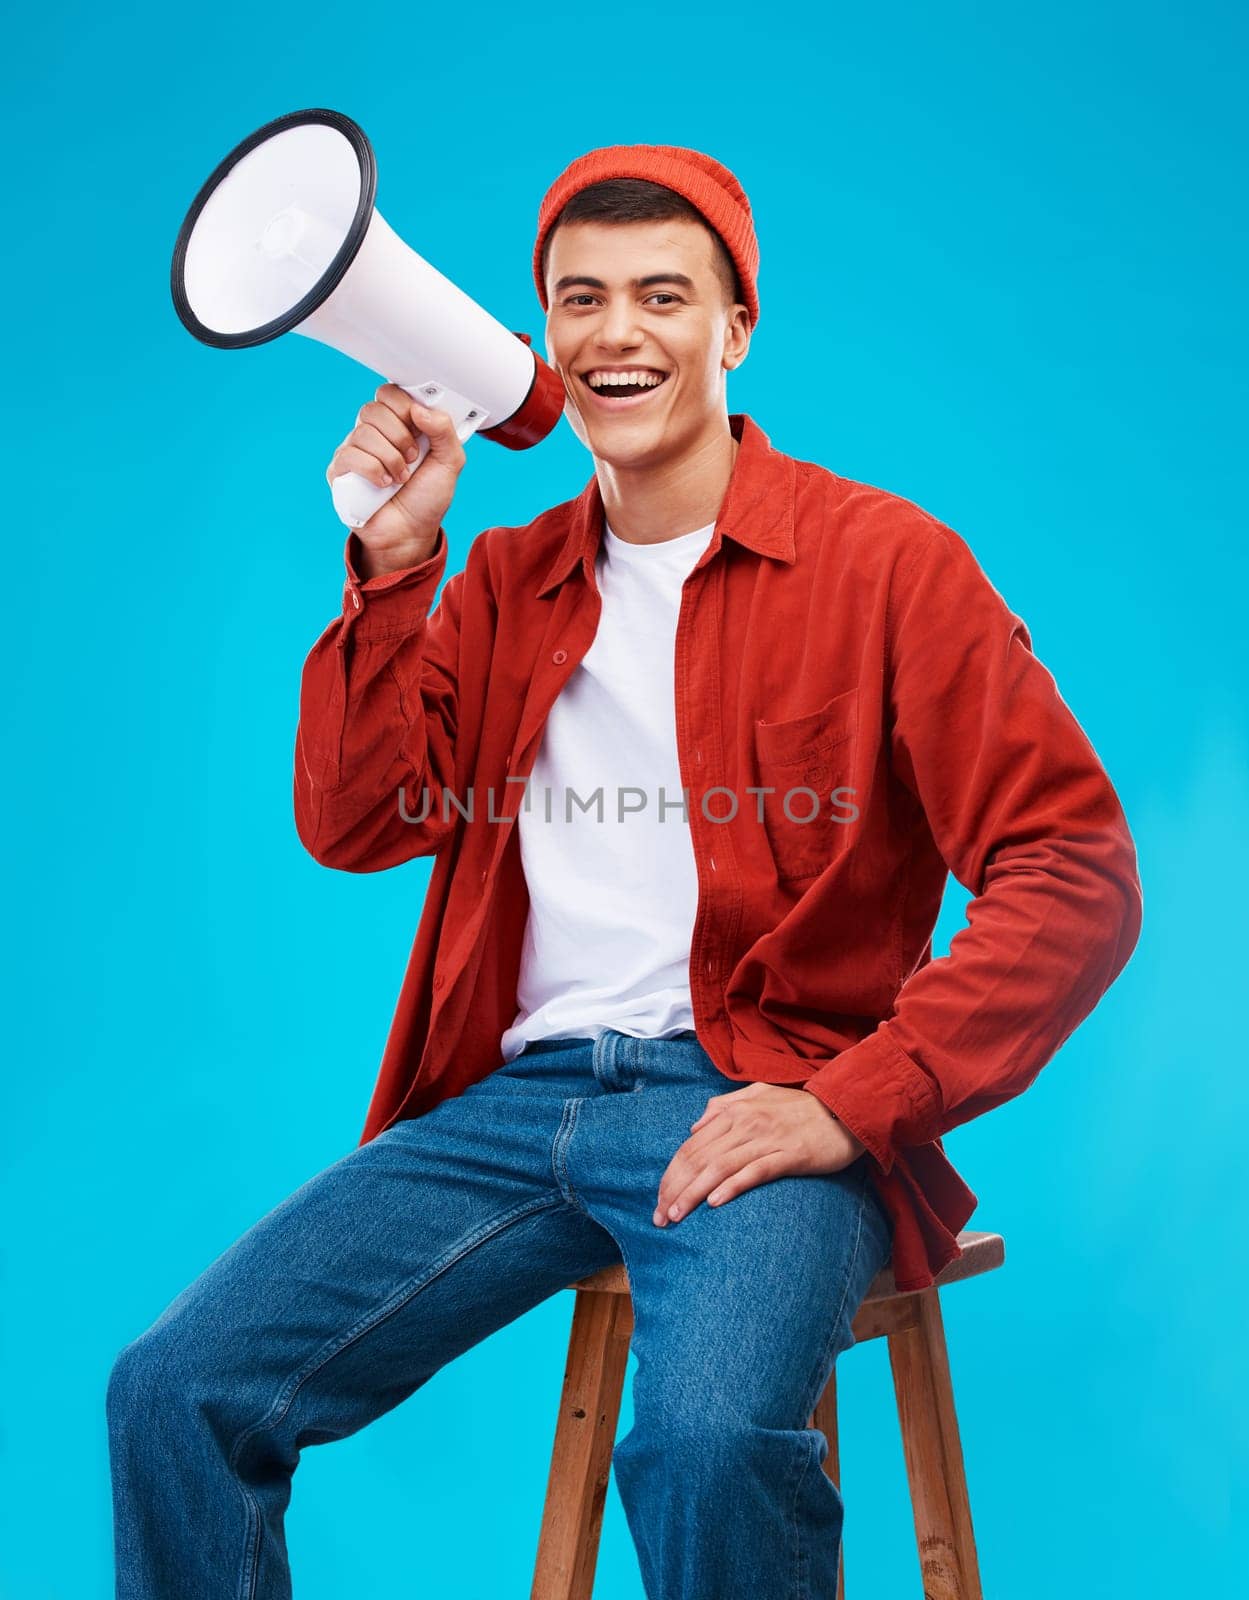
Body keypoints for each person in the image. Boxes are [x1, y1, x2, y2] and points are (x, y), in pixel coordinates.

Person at [106, 144, 1143, 1599]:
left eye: (663, 295)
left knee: (710, 1444)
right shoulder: (502, 582)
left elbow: (1072, 869)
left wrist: (853, 1103)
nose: (615, 333)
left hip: (752, 1096)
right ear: (542, 333)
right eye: (577, 300)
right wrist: (394, 567)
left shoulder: (888, 566)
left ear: (734, 330)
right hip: (513, 1106)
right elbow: (354, 823)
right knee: (170, 1394)